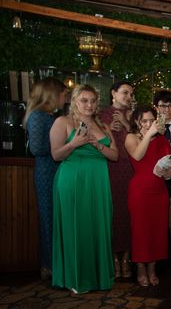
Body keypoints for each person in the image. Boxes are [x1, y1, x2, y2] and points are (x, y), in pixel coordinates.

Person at [50, 84, 118, 293]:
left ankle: (96, 277)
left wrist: (98, 145)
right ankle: (75, 278)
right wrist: (75, 143)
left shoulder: (103, 126)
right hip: (73, 181)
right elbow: (56, 155)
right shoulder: (63, 122)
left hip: (98, 182)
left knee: (97, 227)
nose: (89, 105)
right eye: (84, 100)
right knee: (75, 227)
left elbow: (114, 156)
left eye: (93, 100)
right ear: (75, 101)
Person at [24, 77, 67, 280]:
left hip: (59, 171)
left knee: (60, 218)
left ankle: (59, 263)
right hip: (46, 173)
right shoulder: (37, 117)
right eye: (63, 94)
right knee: (49, 219)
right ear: (52, 95)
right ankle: (49, 266)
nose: (65, 98)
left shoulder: (53, 117)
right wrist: (62, 146)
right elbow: (37, 148)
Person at [125, 106, 171, 287]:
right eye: (144, 121)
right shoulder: (131, 138)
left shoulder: (162, 140)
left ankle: (152, 268)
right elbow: (137, 155)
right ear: (137, 122)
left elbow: (169, 170)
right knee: (141, 231)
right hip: (140, 191)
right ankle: (140, 269)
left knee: (157, 231)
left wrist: (167, 172)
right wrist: (149, 135)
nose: (148, 124)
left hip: (159, 190)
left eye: (152, 121)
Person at [100, 81, 134, 280]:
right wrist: (107, 129)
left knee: (129, 213)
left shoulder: (133, 115)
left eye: (130, 93)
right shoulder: (101, 114)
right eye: (124, 92)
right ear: (113, 93)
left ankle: (127, 258)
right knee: (112, 212)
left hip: (131, 169)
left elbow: (143, 137)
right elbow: (97, 140)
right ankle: (113, 258)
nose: (128, 96)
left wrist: (126, 123)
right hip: (110, 168)